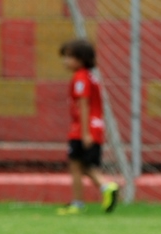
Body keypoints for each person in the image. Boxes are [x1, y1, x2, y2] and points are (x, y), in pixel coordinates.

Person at [57, 39, 119, 216]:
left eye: (69, 57)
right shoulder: (90, 76)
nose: (65, 61)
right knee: (84, 165)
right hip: (95, 127)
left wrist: (85, 133)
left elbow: (83, 105)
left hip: (82, 130)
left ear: (81, 59)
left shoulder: (80, 78)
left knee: (76, 165)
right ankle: (103, 188)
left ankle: (83, 199)